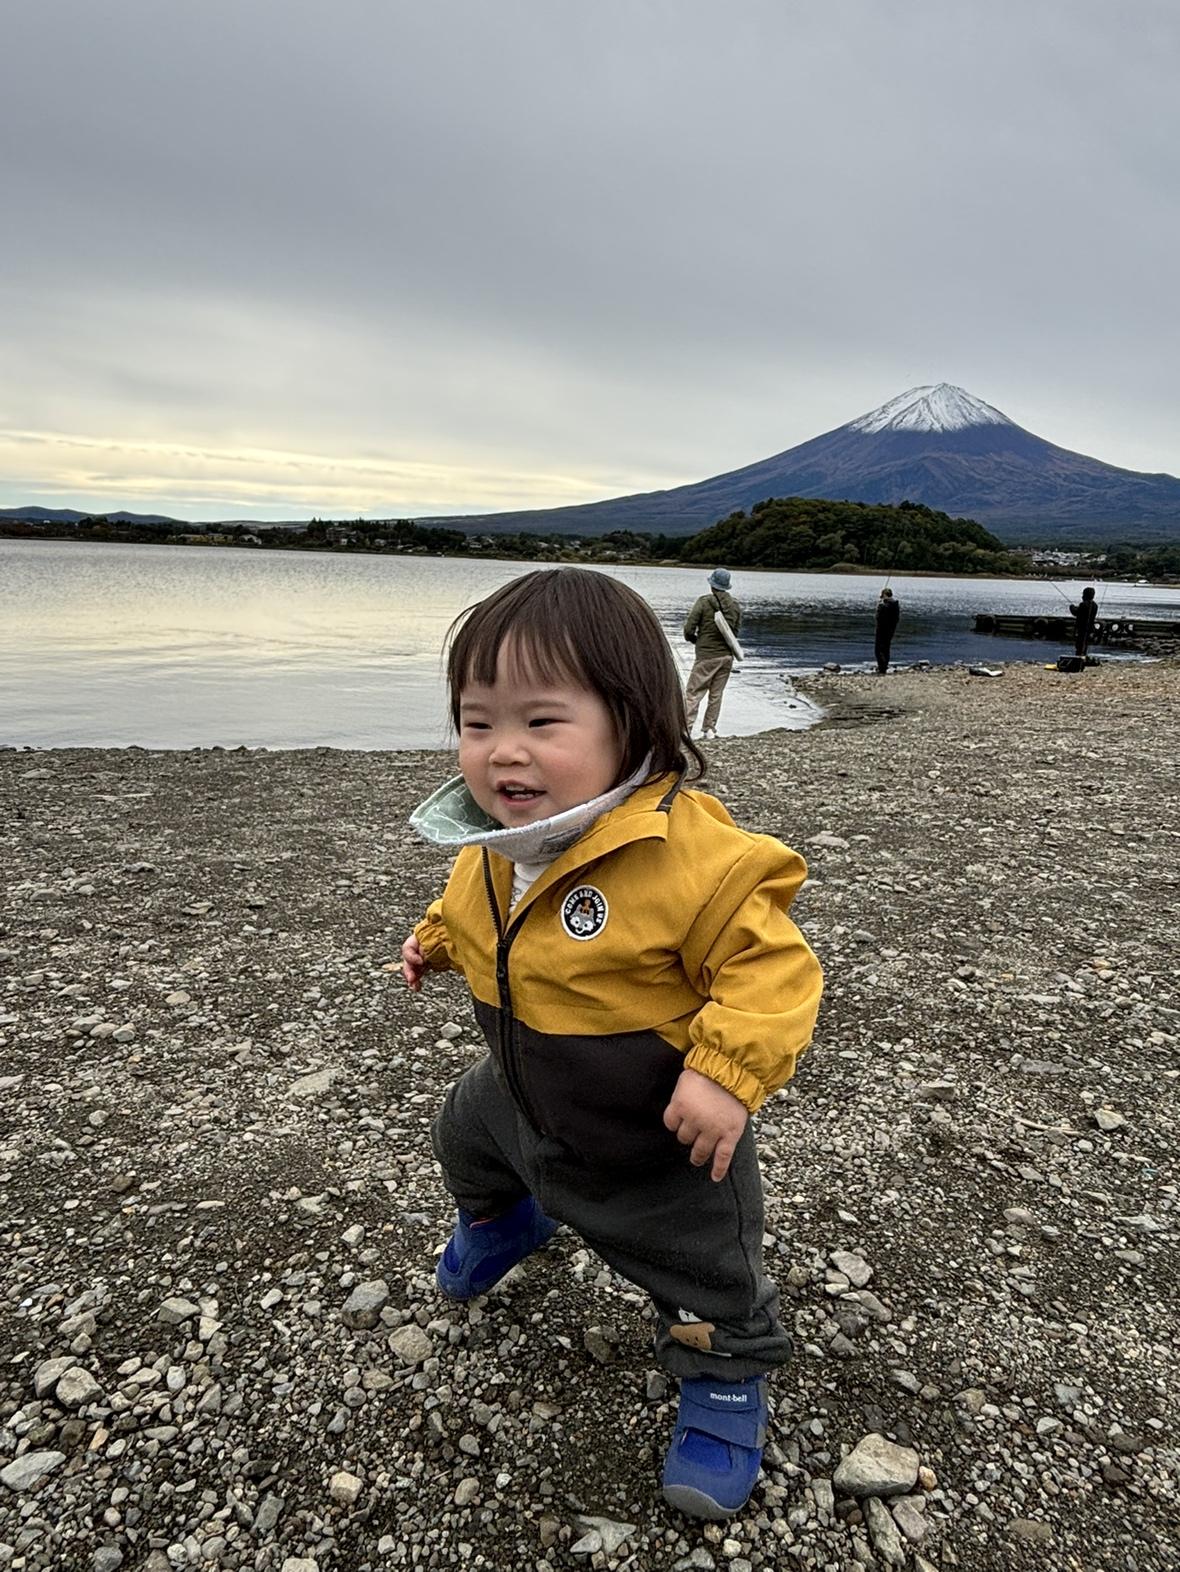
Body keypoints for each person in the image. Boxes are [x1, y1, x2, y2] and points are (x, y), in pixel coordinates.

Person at [401, 568, 822, 1520]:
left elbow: (774, 969)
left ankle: (725, 1377)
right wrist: (434, 939)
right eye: (476, 722)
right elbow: (475, 905)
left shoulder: (694, 859)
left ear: (631, 722)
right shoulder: (501, 839)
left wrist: (726, 1075)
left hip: (654, 1126)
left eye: (542, 722)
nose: (503, 750)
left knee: (705, 1268)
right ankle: (504, 1222)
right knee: (463, 1134)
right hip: (526, 1087)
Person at [683, 568, 741, 738]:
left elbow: (689, 628)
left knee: (693, 693)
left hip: (706, 655)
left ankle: (686, 729)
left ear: (712, 585)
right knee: (716, 694)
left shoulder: (704, 602)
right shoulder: (735, 605)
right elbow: (735, 633)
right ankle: (709, 729)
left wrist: (694, 639)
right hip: (727, 656)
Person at [875, 587, 900, 673]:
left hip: (881, 630)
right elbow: (897, 619)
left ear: (885, 595)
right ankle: (884, 666)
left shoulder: (883, 606)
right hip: (891, 630)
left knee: (878, 649)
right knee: (886, 648)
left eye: (882, 596)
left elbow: (878, 617)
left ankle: (881, 667)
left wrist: (878, 607)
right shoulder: (895, 605)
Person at [1070, 585, 1098, 659]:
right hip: (1090, 628)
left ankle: (1079, 658)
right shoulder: (1095, 605)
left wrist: (1072, 607)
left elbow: (1076, 613)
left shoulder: (1083, 604)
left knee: (1079, 645)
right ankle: (1083, 657)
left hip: (1082, 628)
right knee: (1085, 645)